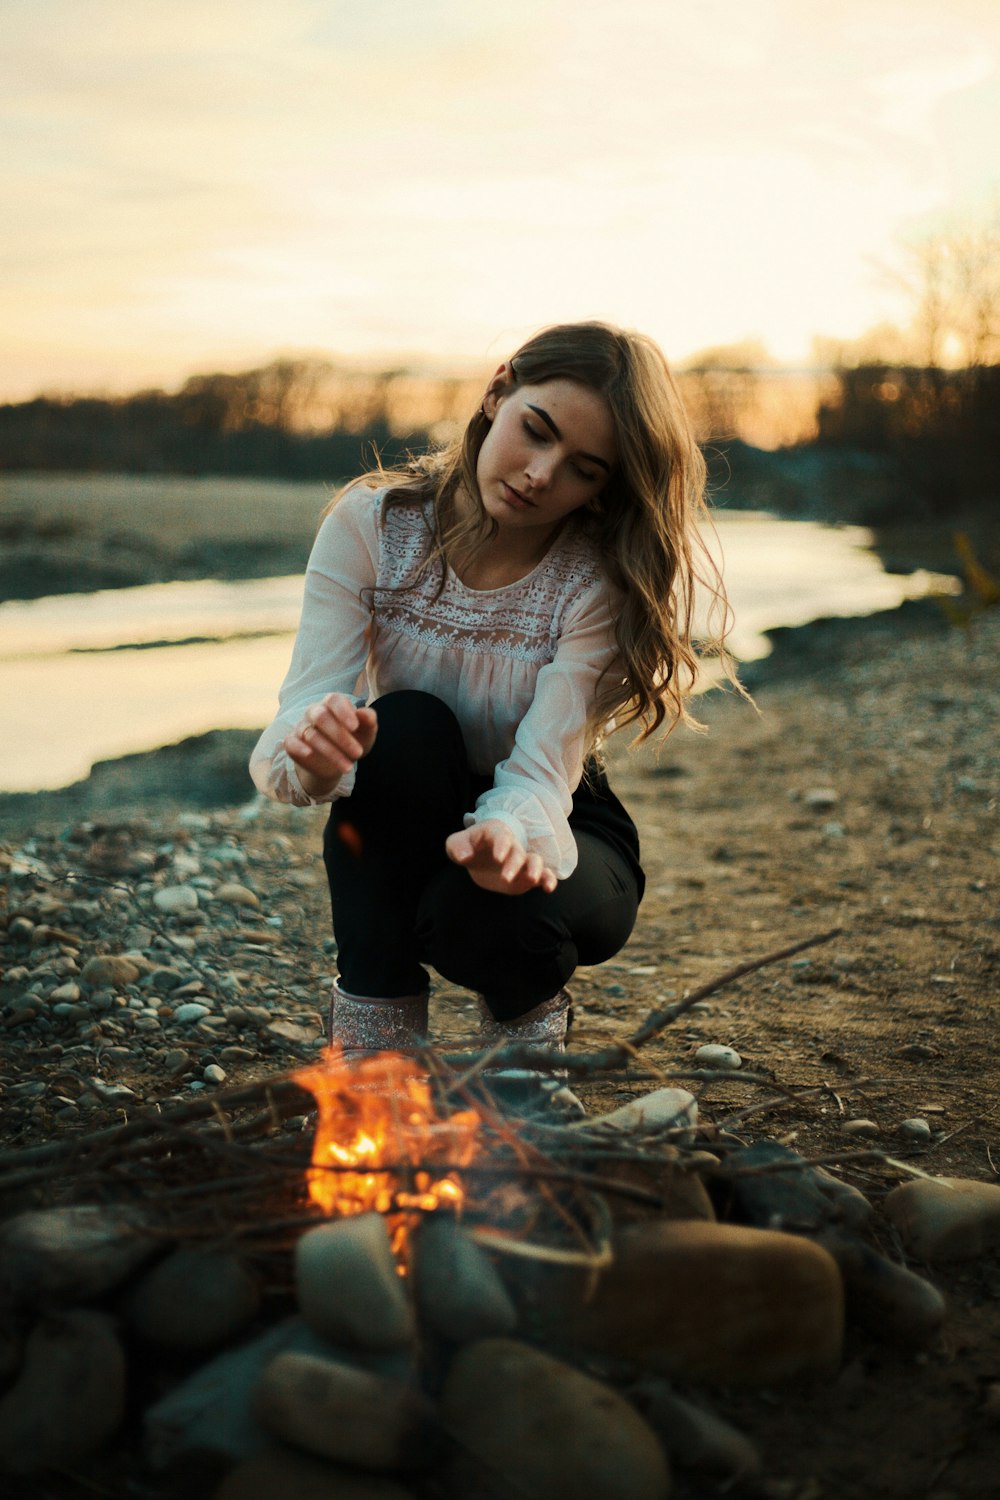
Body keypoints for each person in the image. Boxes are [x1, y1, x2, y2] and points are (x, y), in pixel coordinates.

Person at [249, 321, 730, 1062]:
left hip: (555, 817)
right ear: (498, 389)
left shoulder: (592, 582)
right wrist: (316, 757)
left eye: (583, 469)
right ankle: (377, 1062)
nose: (541, 474)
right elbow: (302, 716)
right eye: (535, 431)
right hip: (407, 799)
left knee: (480, 912)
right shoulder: (373, 527)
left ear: (605, 490)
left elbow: (542, 776)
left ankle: (523, 1050)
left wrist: (506, 837)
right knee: (399, 726)